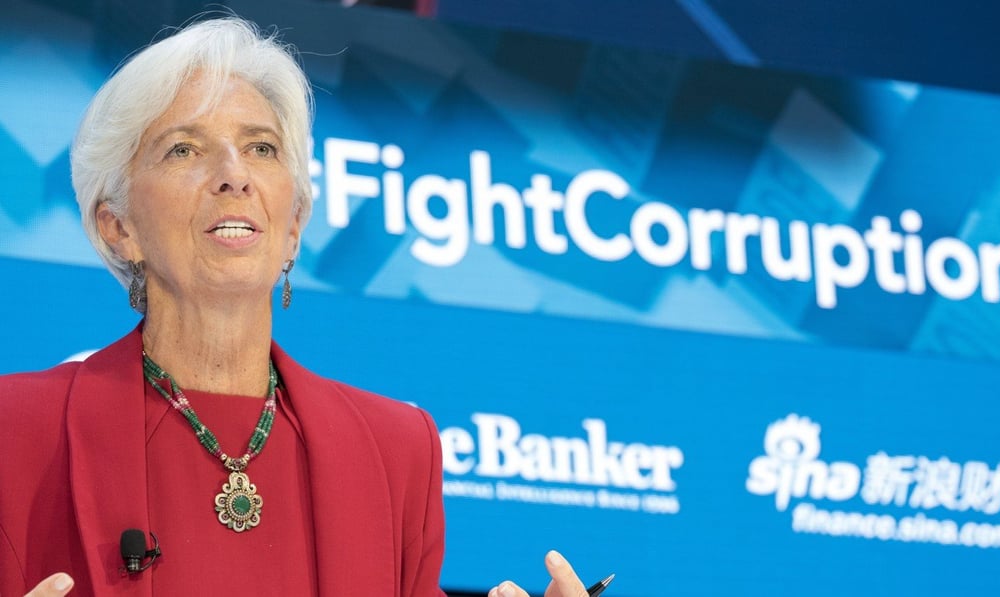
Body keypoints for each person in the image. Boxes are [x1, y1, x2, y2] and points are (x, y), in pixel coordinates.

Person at [0, 16, 588, 597]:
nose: (234, 176)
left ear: (295, 224)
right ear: (117, 225)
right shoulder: (18, 430)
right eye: (183, 149)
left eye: (261, 148)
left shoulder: (397, 452)